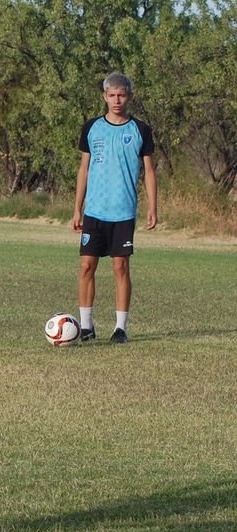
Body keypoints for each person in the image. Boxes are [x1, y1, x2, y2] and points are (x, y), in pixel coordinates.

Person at [71, 71, 158, 344]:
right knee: (87, 266)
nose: (116, 100)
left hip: (123, 211)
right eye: (112, 95)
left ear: (130, 97)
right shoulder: (92, 127)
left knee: (120, 267)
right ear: (105, 97)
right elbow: (84, 169)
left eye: (121, 95)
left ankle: (120, 328)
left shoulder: (141, 130)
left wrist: (153, 207)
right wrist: (77, 208)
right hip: (94, 210)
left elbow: (150, 172)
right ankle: (86, 326)